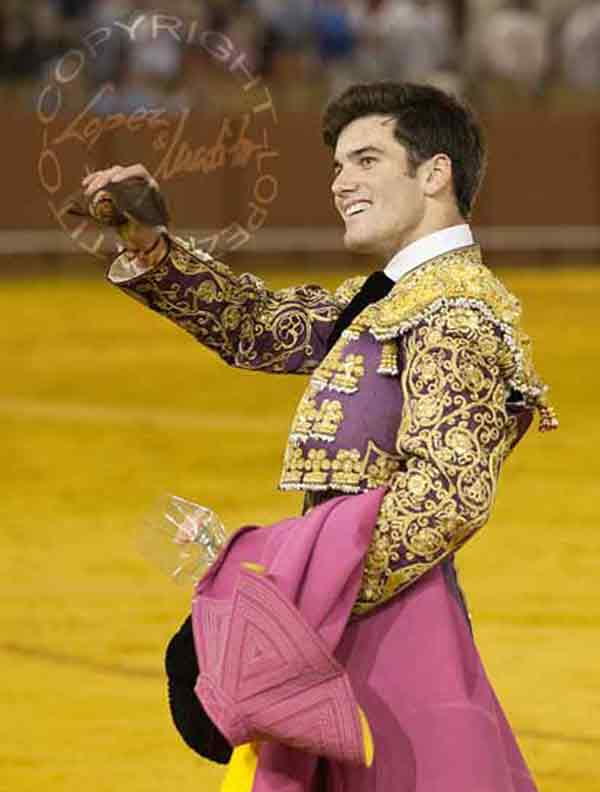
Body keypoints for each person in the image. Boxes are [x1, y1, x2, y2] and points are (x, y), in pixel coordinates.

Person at [83, 81, 556, 791]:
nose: (342, 184)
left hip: (388, 627)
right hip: (361, 615)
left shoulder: (456, 311)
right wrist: (149, 246)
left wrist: (298, 599)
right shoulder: (393, 298)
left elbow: (450, 496)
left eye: (366, 160)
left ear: (435, 174)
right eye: (338, 166)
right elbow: (256, 326)